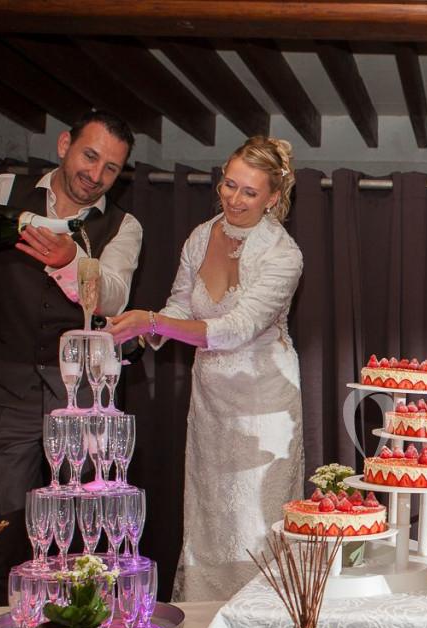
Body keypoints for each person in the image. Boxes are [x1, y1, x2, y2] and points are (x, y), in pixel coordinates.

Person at [0, 109, 143, 605]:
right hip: (2, 388)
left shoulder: (124, 225)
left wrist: (72, 263)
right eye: (90, 155)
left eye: (111, 169)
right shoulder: (2, 190)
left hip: (84, 400)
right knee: (10, 530)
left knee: (89, 528)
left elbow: (116, 295)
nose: (96, 174)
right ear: (63, 145)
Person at [108, 136, 304, 602]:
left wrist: (155, 321)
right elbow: (180, 304)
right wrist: (145, 332)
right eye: (228, 185)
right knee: (211, 517)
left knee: (255, 524)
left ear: (273, 198)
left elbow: (237, 328)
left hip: (264, 408)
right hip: (211, 401)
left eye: (249, 192)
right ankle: (202, 621)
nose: (234, 199)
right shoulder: (201, 235)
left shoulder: (284, 255)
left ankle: (261, 621)